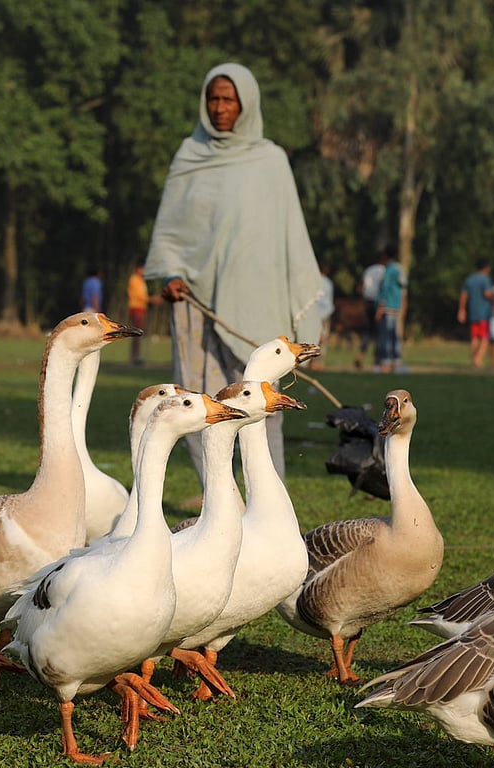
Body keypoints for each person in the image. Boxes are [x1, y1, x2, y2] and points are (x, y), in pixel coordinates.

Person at [144, 62, 324, 485]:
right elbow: (171, 231)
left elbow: (291, 240)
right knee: (198, 405)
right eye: (214, 99)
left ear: (246, 103)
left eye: (229, 99)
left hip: (258, 306)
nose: (220, 107)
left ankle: (269, 503)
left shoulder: (271, 162)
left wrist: (305, 322)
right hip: (197, 307)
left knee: (262, 406)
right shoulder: (190, 157)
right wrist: (170, 275)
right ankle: (220, 499)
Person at [374, 248, 407, 373]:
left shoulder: (389, 270)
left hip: (387, 307)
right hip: (396, 307)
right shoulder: (399, 269)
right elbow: (403, 287)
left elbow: (385, 289)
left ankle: (386, 362)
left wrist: (380, 308)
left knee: (386, 335)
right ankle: (396, 361)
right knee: (394, 335)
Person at [355, 250, 388, 369]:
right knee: (379, 332)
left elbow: (361, 287)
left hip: (367, 302)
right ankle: (377, 359)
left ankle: (361, 355)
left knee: (368, 331)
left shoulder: (369, 270)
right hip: (379, 303)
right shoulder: (385, 271)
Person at [457, 259, 492, 368]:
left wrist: (462, 310)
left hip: (473, 312)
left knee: (474, 337)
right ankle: (478, 359)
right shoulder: (485, 279)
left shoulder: (470, 279)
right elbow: (487, 294)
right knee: (484, 337)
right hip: (484, 313)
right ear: (486, 268)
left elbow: (464, 296)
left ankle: (473, 359)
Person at [126, 264, 150, 366]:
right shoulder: (135, 279)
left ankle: (136, 356)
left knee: (138, 334)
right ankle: (134, 357)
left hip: (141, 308)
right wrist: (152, 299)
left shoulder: (141, 280)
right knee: (136, 333)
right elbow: (139, 295)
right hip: (136, 307)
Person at [314, 264, 335, 370]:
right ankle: (319, 363)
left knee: (314, 337)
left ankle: (311, 361)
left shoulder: (313, 281)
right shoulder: (328, 282)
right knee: (323, 338)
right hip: (325, 313)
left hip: (315, 314)